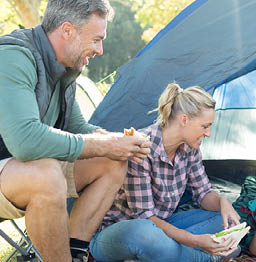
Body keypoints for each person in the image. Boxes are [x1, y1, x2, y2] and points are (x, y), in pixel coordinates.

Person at [0, 1, 152, 261]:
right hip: (19, 169)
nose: (100, 50)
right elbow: (25, 140)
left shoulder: (65, 68)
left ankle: (74, 253)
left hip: (21, 171)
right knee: (46, 174)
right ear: (67, 30)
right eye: (96, 39)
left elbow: (79, 129)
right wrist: (106, 144)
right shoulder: (13, 57)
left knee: (110, 161)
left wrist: (118, 142)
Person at [89, 83, 242, 262]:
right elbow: (146, 217)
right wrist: (196, 241)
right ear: (184, 120)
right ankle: (208, 258)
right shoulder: (142, 148)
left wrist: (223, 203)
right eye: (205, 126)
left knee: (225, 221)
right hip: (120, 233)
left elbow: (203, 193)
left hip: (164, 226)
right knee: (146, 234)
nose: (208, 133)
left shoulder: (190, 149)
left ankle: (161, 254)